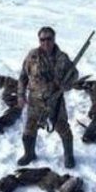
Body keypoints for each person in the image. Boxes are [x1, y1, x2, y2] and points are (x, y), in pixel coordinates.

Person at [17, 26, 77, 168]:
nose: (45, 42)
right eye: (42, 39)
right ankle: (29, 154)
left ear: (54, 39)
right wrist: (20, 95)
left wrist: (67, 85)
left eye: (48, 39)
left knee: (63, 128)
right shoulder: (32, 56)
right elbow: (23, 77)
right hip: (34, 101)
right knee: (29, 128)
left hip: (55, 101)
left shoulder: (62, 58)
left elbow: (74, 75)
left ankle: (69, 156)